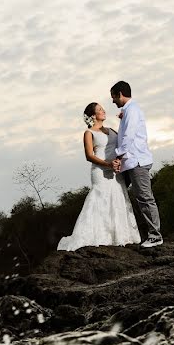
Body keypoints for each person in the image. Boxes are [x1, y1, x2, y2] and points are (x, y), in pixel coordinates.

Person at [57, 102, 141, 252]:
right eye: (100, 110)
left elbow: (123, 144)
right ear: (93, 116)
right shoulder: (89, 133)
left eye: (103, 109)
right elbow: (89, 155)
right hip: (100, 171)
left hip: (116, 170)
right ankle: (98, 237)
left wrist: (118, 162)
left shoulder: (112, 130)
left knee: (118, 198)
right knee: (100, 199)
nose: (104, 111)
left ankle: (119, 236)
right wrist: (108, 164)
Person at [110, 81, 163, 247]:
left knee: (145, 198)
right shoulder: (128, 111)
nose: (112, 101)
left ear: (120, 94)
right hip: (130, 162)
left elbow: (129, 136)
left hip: (136, 161)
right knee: (117, 194)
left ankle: (155, 236)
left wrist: (118, 156)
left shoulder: (132, 110)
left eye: (113, 97)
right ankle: (119, 233)